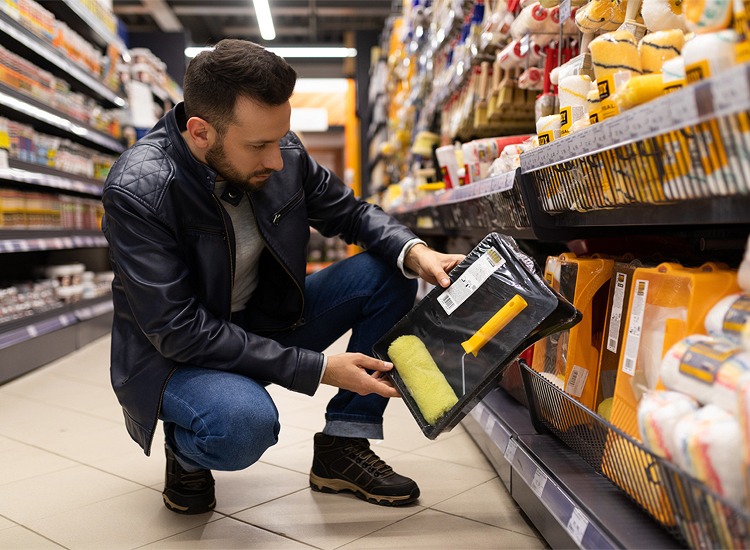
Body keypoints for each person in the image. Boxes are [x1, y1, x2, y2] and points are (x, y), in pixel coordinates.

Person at [101, 38, 464, 515]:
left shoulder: (285, 154)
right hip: (174, 357)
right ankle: (185, 452)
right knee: (243, 426)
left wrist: (415, 251)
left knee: (388, 271)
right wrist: (318, 369)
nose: (278, 158)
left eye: (280, 138)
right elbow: (176, 329)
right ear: (200, 132)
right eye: (259, 145)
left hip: (261, 319)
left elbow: (351, 214)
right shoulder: (139, 190)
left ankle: (343, 446)